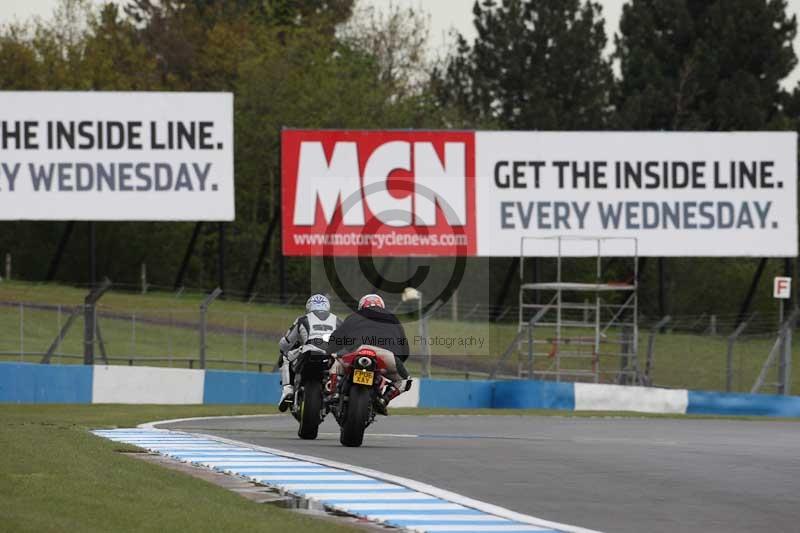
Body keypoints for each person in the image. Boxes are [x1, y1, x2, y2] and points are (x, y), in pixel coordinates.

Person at [327, 293, 410, 415]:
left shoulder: (353, 316)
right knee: (405, 380)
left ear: (362, 307)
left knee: (335, 364)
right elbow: (404, 350)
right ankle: (383, 400)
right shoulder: (393, 318)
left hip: (357, 351)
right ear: (381, 306)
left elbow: (335, 340)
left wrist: (332, 351)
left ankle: (333, 393)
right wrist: (396, 362)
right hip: (385, 355)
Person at [277, 294, 340, 412]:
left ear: (309, 307)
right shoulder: (337, 320)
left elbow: (286, 343)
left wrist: (284, 346)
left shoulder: (302, 319)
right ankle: (336, 391)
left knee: (284, 357)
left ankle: (287, 390)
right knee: (342, 362)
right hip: (330, 353)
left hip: (308, 350)